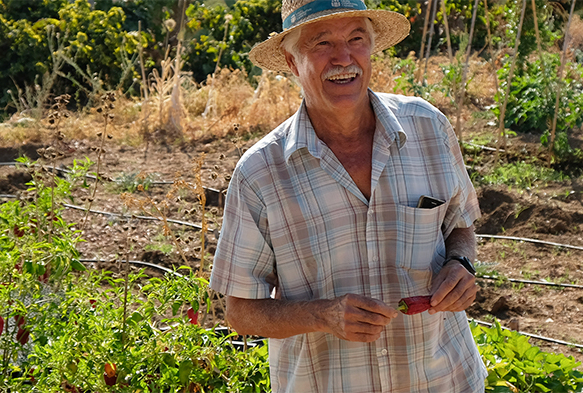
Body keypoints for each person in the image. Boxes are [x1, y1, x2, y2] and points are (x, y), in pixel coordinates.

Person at [208, 0, 487, 391]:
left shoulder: (428, 128)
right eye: (322, 44)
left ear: (371, 49)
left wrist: (461, 264)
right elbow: (240, 312)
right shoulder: (261, 173)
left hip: (443, 379)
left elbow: (460, 228)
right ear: (292, 62)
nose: (344, 58)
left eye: (356, 39)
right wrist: (324, 315)